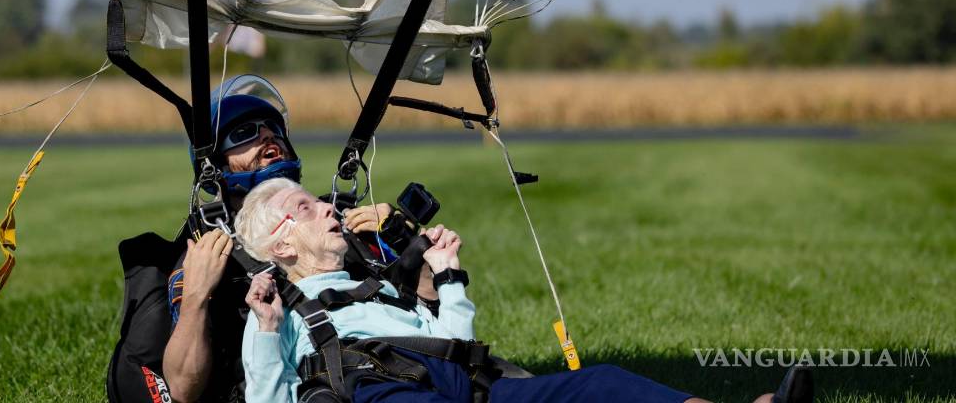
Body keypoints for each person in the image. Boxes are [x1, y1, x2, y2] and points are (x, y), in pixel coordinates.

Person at [236, 178, 812, 403]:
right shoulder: (277, 309)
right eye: (304, 208)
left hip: (457, 382)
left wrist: (449, 275)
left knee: (603, 383)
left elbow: (455, 348)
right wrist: (264, 331)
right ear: (281, 247)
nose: (327, 209)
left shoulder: (379, 285)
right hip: (374, 392)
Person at [161, 78, 396, 403]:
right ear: (214, 166)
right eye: (244, 134)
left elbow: (429, 315)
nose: (267, 135)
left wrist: (400, 236)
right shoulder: (208, 250)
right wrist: (196, 297)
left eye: (273, 128)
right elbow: (183, 390)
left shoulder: (338, 221)